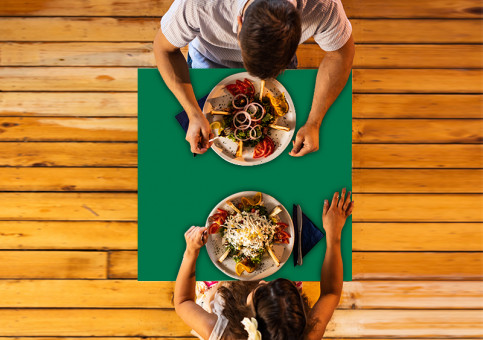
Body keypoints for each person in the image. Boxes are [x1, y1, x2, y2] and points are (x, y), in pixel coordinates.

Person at [154, 0, 355, 156]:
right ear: (239, 24)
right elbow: (163, 49)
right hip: (208, 60)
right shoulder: (197, 5)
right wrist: (193, 113)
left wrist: (314, 122)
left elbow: (341, 54)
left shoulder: (323, 6)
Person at [174, 189, 353, 339]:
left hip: (221, 292)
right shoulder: (305, 335)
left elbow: (183, 302)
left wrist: (191, 252)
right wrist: (334, 235)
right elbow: (331, 293)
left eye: (261, 289)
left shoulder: (223, 334)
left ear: (249, 319)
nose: (263, 281)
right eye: (272, 283)